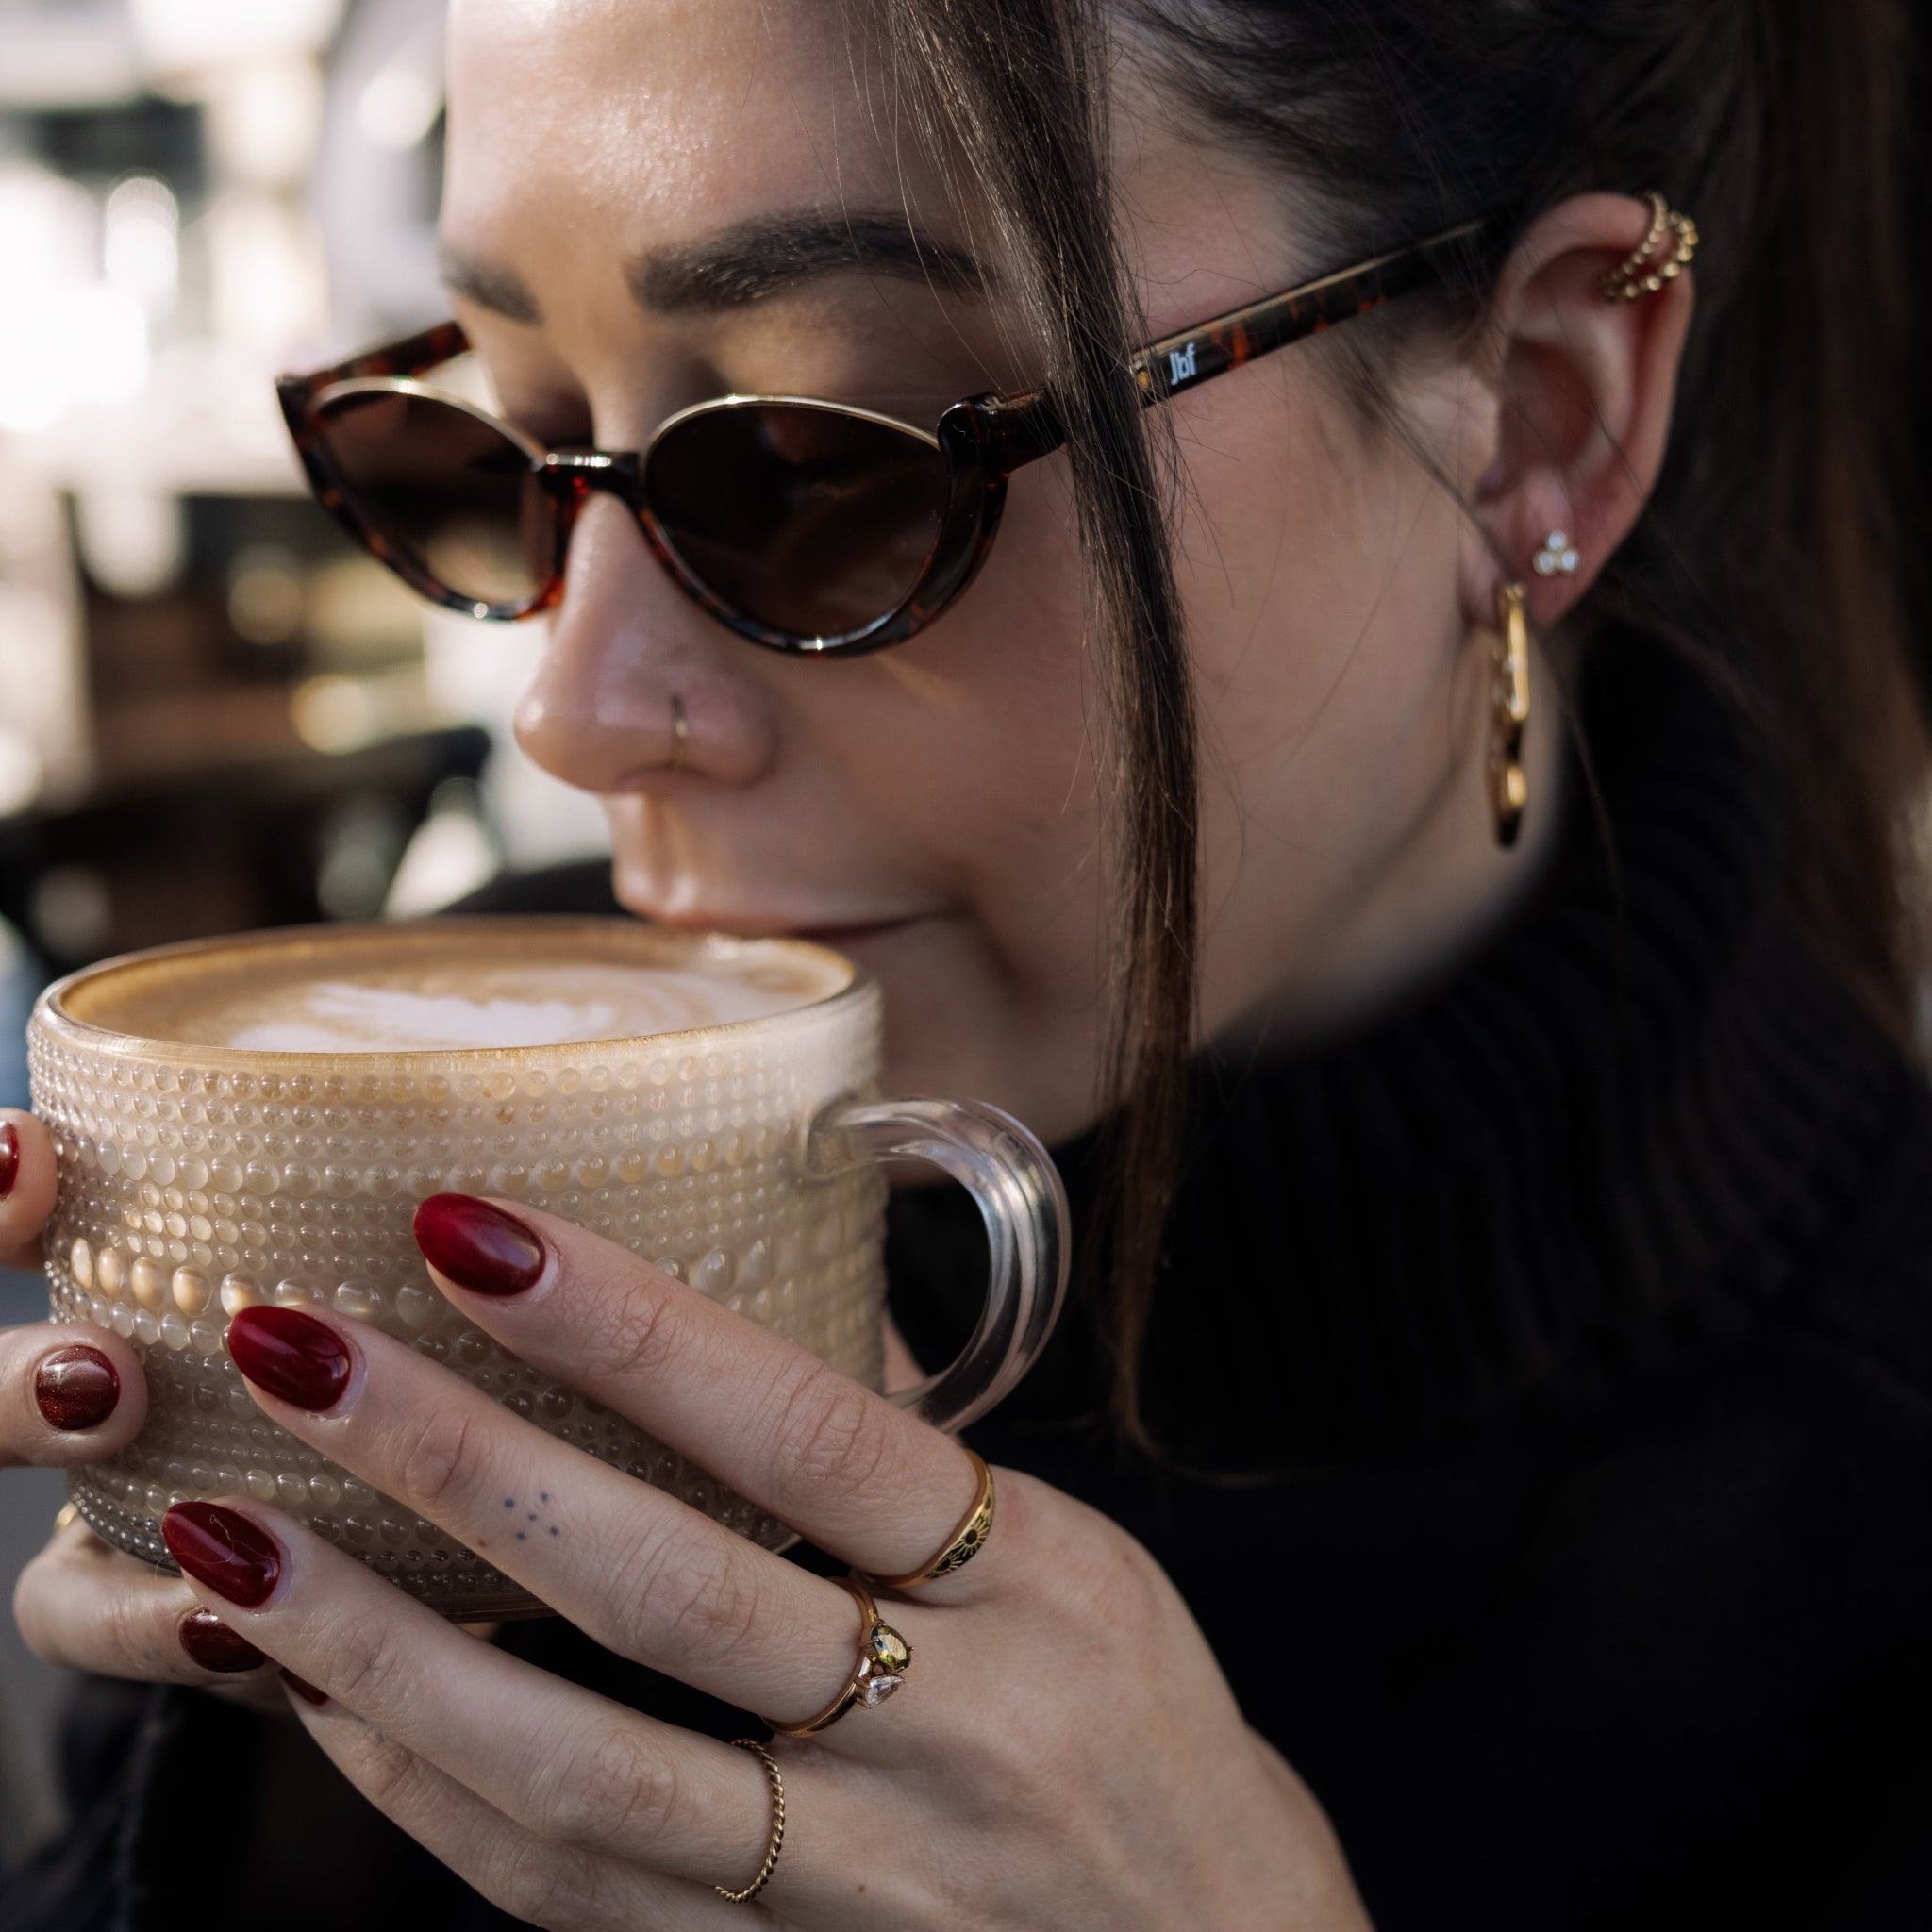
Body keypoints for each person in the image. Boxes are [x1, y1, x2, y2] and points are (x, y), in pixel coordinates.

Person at [4, 0, 1930, 1924]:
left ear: (1532, 416)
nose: (573, 715)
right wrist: (294, 1772)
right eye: (503, 437)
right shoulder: (451, 1154)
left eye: (806, 455)